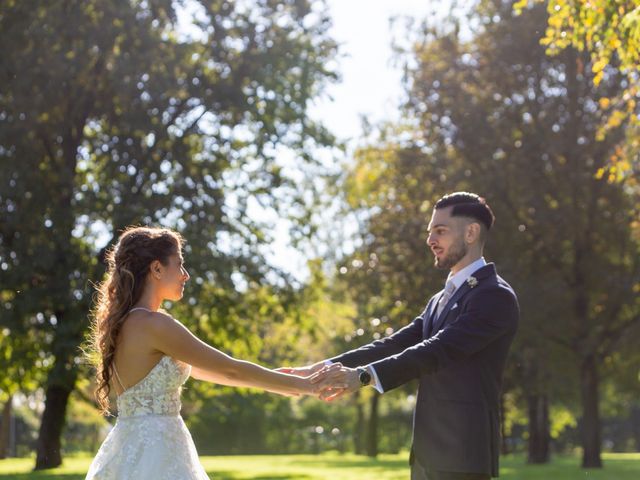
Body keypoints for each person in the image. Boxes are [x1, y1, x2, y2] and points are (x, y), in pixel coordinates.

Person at [284, 192, 519, 480]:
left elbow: (438, 350)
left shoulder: (494, 295)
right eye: (430, 231)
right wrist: (322, 368)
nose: (430, 240)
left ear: (471, 232)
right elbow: (394, 344)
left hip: (462, 456)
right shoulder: (439, 299)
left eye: (440, 231)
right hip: (425, 455)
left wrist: (363, 377)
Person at [85, 226, 325, 480]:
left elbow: (207, 371)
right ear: (156, 269)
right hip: (158, 451)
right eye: (179, 264)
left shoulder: (125, 324)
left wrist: (283, 381)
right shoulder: (156, 324)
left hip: (128, 446)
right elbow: (230, 368)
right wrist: (308, 386)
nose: (185, 275)